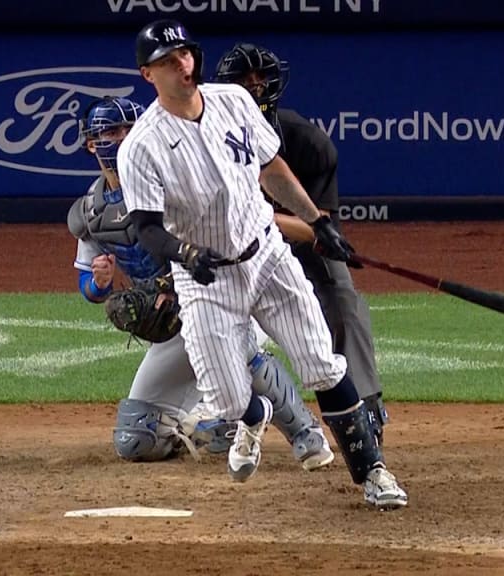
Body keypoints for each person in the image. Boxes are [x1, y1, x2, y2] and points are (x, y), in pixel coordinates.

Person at [117, 19, 407, 508]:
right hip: (206, 280)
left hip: (268, 257)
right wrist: (185, 253)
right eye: (169, 61)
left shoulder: (233, 101)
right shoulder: (140, 147)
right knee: (227, 399)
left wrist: (318, 223)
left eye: (186, 53)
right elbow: (146, 227)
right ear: (148, 74)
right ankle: (254, 417)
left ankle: (374, 473)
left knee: (322, 365)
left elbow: (272, 169)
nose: (183, 65)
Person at [67, 95, 336, 471]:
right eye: (112, 131)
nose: (124, 137)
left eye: (129, 128)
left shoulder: (173, 179)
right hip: (173, 325)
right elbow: (88, 287)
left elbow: (246, 222)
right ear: (91, 144)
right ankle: (211, 416)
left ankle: (306, 433)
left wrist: (308, 230)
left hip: (221, 297)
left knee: (240, 349)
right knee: (136, 439)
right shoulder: (91, 212)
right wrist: (100, 283)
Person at [213, 42, 389, 443]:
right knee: (210, 318)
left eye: (261, 78)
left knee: (343, 300)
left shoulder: (306, 141)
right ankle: (226, 412)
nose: (254, 86)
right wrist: (261, 219)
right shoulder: (203, 142)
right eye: (244, 78)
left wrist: (302, 227)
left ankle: (365, 408)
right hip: (235, 249)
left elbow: (317, 227)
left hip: (299, 245)